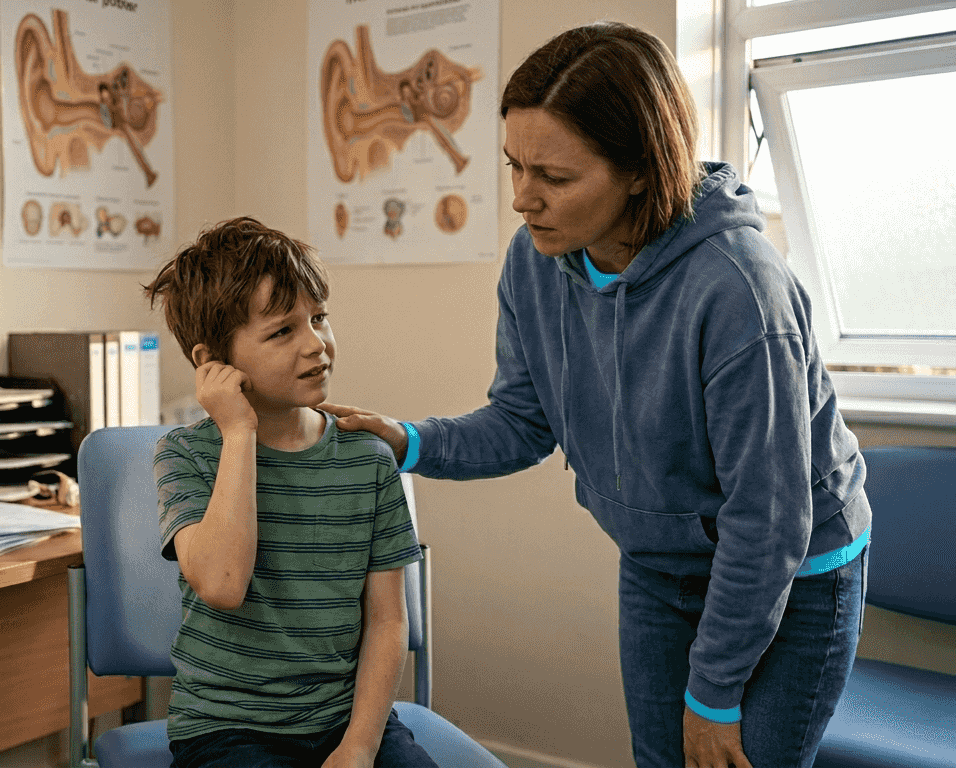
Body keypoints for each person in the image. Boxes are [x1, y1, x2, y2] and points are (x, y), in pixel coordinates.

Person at [321, 22, 870, 768]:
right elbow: (523, 420)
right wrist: (409, 441)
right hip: (656, 560)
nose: (522, 198)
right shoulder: (535, 263)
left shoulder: (738, 290)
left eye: (554, 177)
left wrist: (712, 695)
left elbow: (768, 519)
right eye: (514, 166)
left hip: (790, 570)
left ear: (641, 169)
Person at [144, 216, 438, 768]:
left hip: (344, 718)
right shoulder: (184, 455)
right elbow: (223, 585)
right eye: (283, 331)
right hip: (226, 728)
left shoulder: (367, 459)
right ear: (213, 364)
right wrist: (238, 432)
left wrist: (358, 747)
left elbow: (388, 620)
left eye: (319, 318)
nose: (316, 344)